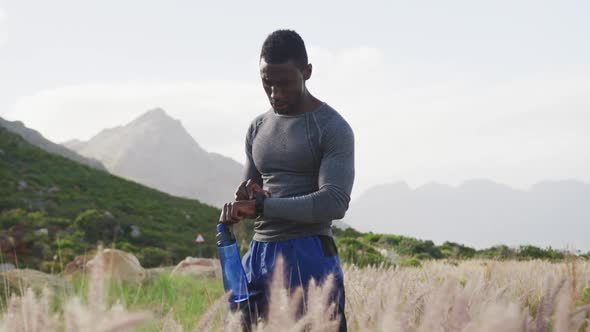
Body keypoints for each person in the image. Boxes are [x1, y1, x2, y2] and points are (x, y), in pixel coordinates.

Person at [218, 29, 354, 332]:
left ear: (307, 72)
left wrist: (263, 207)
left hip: (310, 253)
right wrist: (239, 205)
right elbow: (251, 196)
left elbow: (334, 201)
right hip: (259, 252)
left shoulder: (332, 127)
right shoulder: (257, 127)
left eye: (285, 83)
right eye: (267, 82)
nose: (275, 92)